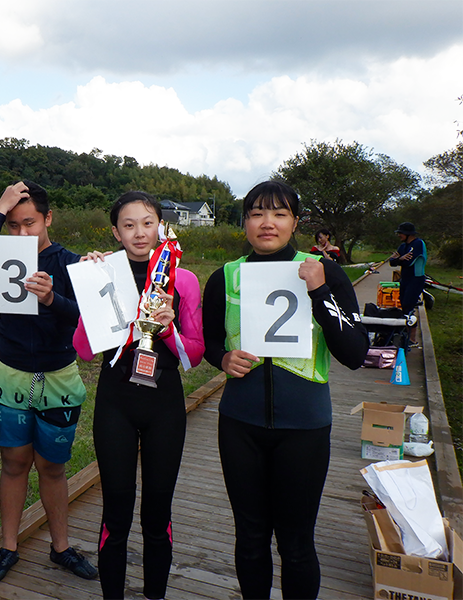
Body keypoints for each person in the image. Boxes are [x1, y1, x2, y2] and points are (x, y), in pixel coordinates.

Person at [202, 181, 368, 600]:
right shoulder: (225, 277)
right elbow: (209, 343)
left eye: (279, 213)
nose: (267, 223)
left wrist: (319, 289)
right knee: (251, 537)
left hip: (304, 429)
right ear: (244, 223)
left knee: (296, 545)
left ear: (295, 222)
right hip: (240, 425)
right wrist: (223, 359)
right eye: (257, 213)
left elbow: (354, 352)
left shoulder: (324, 270)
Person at [73, 191, 205, 600]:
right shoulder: (102, 273)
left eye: (147, 223)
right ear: (115, 232)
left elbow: (196, 353)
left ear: (161, 225)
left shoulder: (182, 278)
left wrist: (166, 328)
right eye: (128, 225)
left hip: (164, 401)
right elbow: (82, 348)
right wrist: (88, 286)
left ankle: (155, 595)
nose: (139, 232)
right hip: (116, 400)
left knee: (157, 511)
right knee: (116, 507)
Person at [0, 180, 97, 584]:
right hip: (10, 375)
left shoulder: (70, 263)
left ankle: (61, 548)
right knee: (13, 463)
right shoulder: (2, 257)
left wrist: (50, 299)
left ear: (48, 219)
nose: (21, 234)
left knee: (53, 468)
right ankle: (8, 546)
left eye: (29, 223)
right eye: (12, 225)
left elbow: (84, 316)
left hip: (59, 378)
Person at [389, 222, 427, 346]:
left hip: (416, 279)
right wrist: (399, 259)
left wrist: (399, 260)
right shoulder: (403, 246)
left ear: (408, 234)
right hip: (405, 279)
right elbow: (392, 262)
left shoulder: (418, 244)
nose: (399, 235)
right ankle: (405, 335)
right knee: (404, 306)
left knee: (408, 305)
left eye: (401, 233)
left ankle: (412, 339)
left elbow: (409, 262)